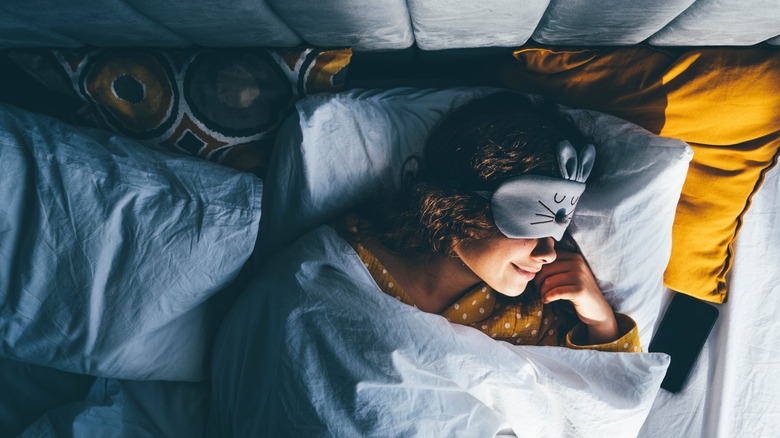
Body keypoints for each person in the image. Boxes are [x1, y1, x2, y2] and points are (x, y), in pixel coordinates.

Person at [335, 92, 640, 352]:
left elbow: (600, 396)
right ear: (461, 204)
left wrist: (601, 321)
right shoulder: (347, 255)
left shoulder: (530, 319)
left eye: (556, 231)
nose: (549, 253)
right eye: (536, 223)